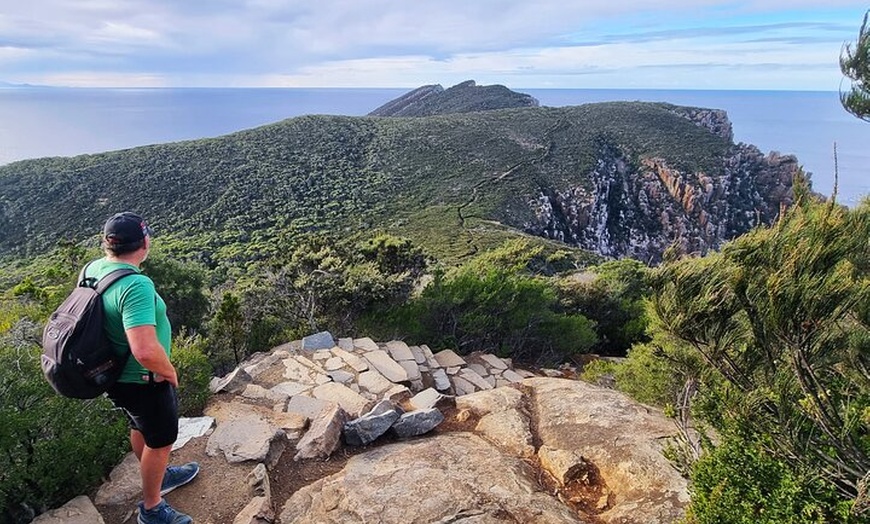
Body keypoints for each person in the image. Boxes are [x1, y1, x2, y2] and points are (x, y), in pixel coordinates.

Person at [86, 211, 199, 524]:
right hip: (142, 377)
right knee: (161, 441)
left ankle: (159, 476)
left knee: (140, 426)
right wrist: (169, 372)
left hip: (113, 374)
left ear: (108, 244)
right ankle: (152, 509)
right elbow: (146, 349)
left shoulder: (94, 268)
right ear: (145, 242)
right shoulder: (135, 285)